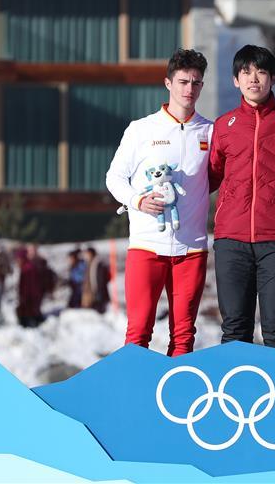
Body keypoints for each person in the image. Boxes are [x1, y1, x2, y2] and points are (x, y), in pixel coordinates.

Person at [105, 49, 213, 355]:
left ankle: (178, 399)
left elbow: (217, 179)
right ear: (168, 83)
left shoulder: (210, 131)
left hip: (191, 247)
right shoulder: (141, 130)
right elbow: (114, 178)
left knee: (183, 336)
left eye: (195, 83)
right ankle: (130, 398)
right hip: (146, 246)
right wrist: (138, 200)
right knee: (138, 331)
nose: (189, 89)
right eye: (182, 82)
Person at [208, 45, 275, 351]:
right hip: (231, 238)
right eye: (246, 72)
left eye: (261, 72)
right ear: (235, 81)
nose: (253, 79)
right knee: (234, 328)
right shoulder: (224, 126)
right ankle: (233, 397)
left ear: (273, 78)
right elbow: (212, 175)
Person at [16, 246, 45, 327]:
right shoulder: (25, 267)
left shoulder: (28, 268)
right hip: (27, 296)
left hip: (30, 296)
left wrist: (26, 296)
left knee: (29, 312)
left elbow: (32, 285)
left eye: (19, 259)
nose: (17, 261)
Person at [81, 246, 110, 314]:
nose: (85, 256)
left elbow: (101, 280)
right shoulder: (89, 263)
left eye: (87, 253)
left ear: (91, 253)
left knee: (99, 312)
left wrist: (99, 292)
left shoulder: (98, 264)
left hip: (97, 292)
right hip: (91, 293)